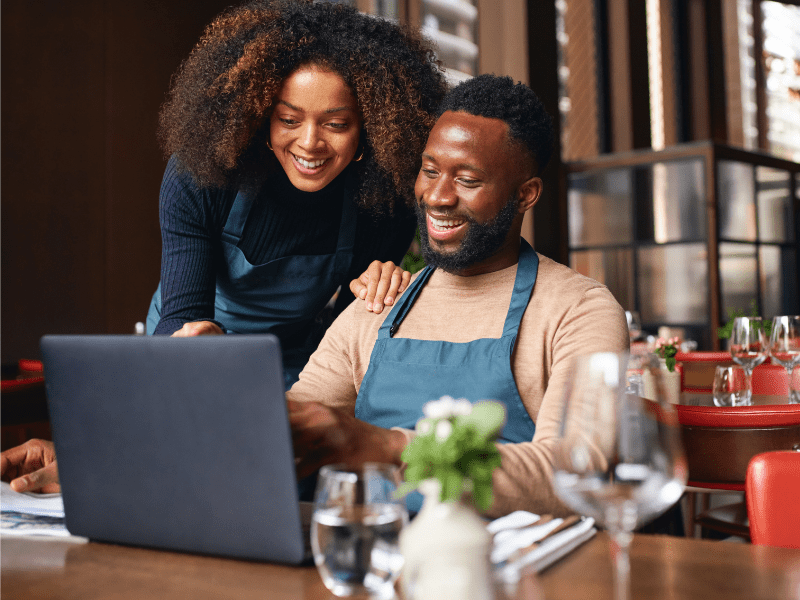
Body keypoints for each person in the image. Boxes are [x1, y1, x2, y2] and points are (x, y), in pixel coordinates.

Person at [2, 76, 627, 519]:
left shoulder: (577, 309)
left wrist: (379, 446)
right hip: (363, 561)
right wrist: (97, 459)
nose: (437, 197)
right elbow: (271, 435)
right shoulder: (378, 305)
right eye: (430, 171)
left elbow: (576, 471)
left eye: (467, 179)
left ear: (527, 194)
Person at [145, 0, 447, 386]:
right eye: (289, 120)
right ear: (261, 116)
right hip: (190, 352)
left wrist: (379, 295)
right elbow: (181, 312)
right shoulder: (203, 176)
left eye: (336, 124)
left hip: (293, 362)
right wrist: (192, 340)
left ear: (370, 130)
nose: (309, 144)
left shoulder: (384, 204)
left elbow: (345, 339)